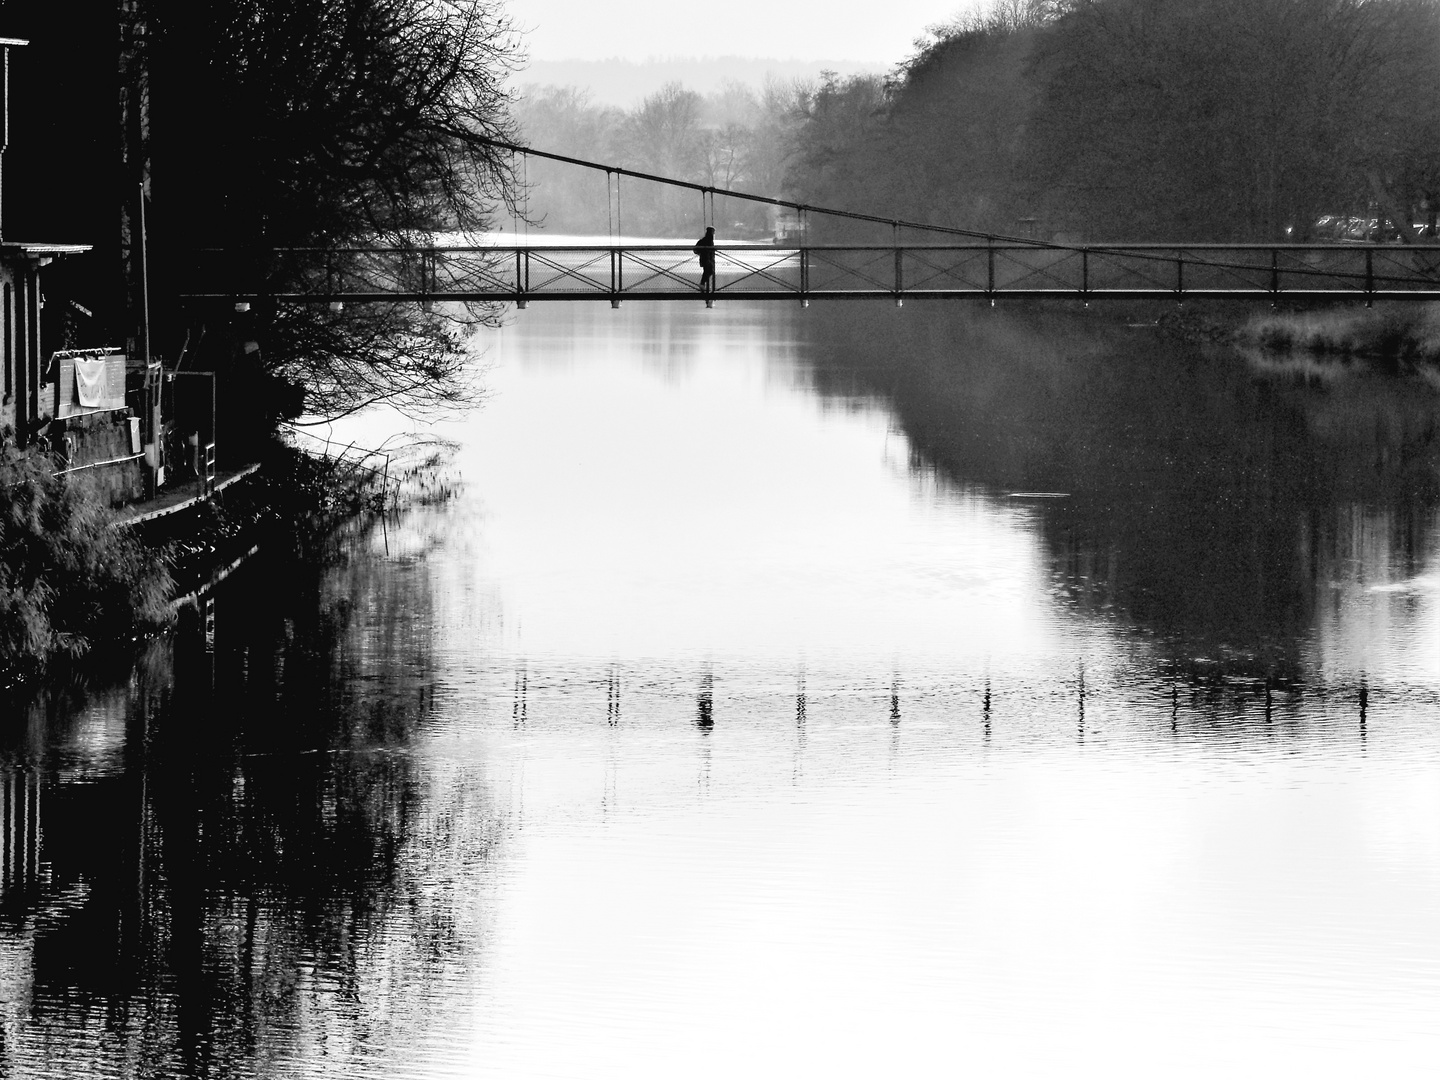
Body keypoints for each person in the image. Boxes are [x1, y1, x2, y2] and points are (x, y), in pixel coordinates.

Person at [693, 226, 717, 295]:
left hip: (705, 258)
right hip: (707, 259)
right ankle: (702, 284)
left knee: (707, 271)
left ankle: (703, 284)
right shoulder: (709, 240)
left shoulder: (704, 240)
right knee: (709, 271)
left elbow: (696, 249)